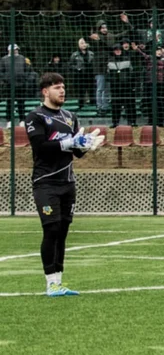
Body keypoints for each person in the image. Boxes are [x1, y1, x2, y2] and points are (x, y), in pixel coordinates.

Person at [25, 73, 105, 296]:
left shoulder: (71, 117)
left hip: (67, 182)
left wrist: (86, 145)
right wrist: (69, 142)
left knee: (62, 231)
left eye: (63, 87)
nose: (62, 91)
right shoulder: (36, 117)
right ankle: (50, 284)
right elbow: (40, 147)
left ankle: (59, 282)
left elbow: (76, 153)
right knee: (50, 229)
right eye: (57, 87)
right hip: (45, 183)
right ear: (45, 91)